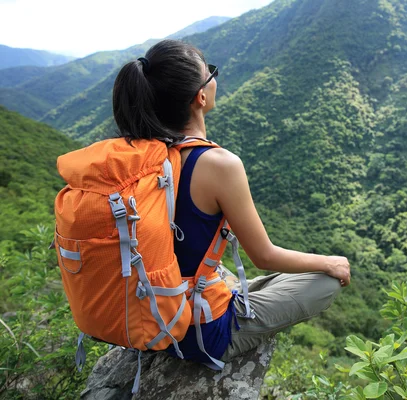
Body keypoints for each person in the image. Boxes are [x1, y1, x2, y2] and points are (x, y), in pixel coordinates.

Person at [112, 39, 351, 366]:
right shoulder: (217, 164)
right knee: (324, 281)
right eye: (210, 73)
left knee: (284, 275)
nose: (214, 78)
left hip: (152, 311)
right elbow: (264, 256)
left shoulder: (137, 156)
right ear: (201, 96)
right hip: (200, 332)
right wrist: (330, 262)